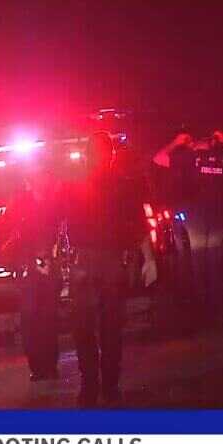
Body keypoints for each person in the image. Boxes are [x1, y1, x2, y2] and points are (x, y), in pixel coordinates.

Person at [65, 132, 149, 407]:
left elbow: (56, 221)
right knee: (110, 327)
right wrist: (147, 258)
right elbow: (138, 225)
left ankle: (90, 386)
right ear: (111, 154)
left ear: (87, 155)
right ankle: (109, 386)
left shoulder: (74, 186)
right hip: (109, 262)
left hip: (86, 263)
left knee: (85, 329)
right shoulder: (124, 184)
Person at [151, 129, 223, 321]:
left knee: (198, 265)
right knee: (215, 265)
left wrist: (177, 142)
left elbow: (158, 158)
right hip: (219, 220)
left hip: (196, 220)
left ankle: (203, 311)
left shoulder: (190, 160)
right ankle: (217, 309)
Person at [4, 173, 61, 381]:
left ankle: (49, 366)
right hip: (28, 271)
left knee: (48, 320)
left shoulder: (54, 202)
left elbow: (58, 232)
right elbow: (12, 234)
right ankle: (37, 368)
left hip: (47, 271)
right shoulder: (20, 204)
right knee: (30, 320)